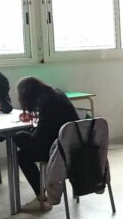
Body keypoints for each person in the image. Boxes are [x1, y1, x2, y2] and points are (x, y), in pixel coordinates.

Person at [15, 76, 79, 211]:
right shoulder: (57, 94)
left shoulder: (46, 104)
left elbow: (41, 137)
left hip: (58, 149)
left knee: (21, 151)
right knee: (23, 139)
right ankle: (41, 194)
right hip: (74, 144)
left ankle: (41, 196)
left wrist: (28, 132)